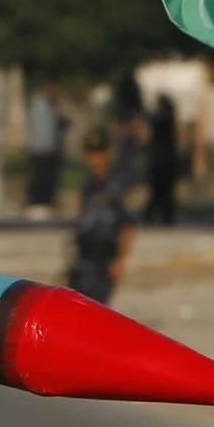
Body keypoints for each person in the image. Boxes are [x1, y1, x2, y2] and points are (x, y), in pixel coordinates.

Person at [67, 129, 136, 305]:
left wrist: (120, 259)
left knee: (97, 306)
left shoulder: (116, 184)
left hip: (104, 254)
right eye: (91, 153)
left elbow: (126, 225)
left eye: (98, 153)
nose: (94, 159)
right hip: (85, 254)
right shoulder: (88, 184)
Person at [23, 81, 63, 215]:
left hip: (49, 148)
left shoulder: (50, 103)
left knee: (47, 178)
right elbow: (41, 126)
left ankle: (46, 202)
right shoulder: (40, 104)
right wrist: (44, 145)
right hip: (42, 149)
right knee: (40, 178)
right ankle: (37, 203)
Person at [143, 95, 181, 226]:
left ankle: (162, 217)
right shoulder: (165, 120)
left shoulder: (163, 120)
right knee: (161, 193)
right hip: (163, 162)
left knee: (162, 193)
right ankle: (161, 217)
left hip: (162, 162)